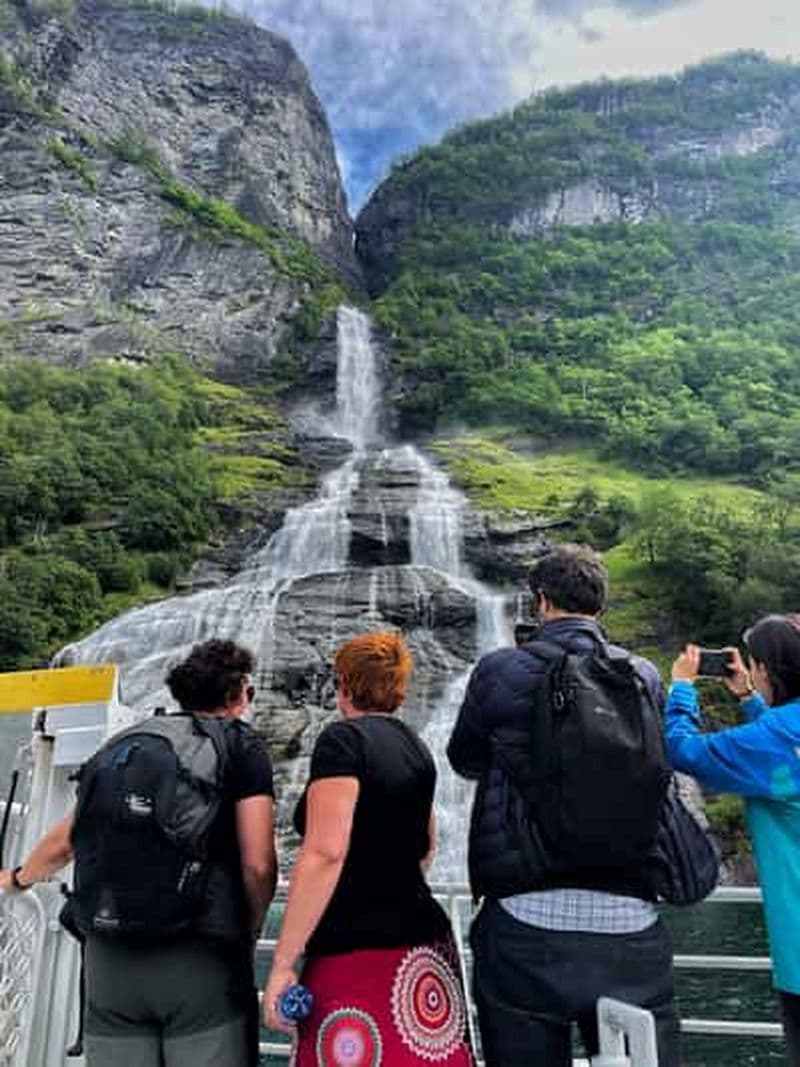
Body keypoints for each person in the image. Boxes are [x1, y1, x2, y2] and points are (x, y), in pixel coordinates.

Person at [448, 543, 680, 1067]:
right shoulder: (642, 675)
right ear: (600, 606)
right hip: (632, 921)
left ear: (542, 602)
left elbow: (465, 758)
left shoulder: (499, 669)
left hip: (524, 922)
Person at [0, 638, 277, 1067]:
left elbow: (65, 841)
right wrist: (250, 927)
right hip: (198, 959)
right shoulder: (240, 745)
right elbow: (258, 863)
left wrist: (18, 878)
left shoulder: (125, 744)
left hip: (109, 961)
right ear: (239, 693)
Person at [263, 631, 474, 1066]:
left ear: (344, 684)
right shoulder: (417, 748)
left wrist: (283, 963)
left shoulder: (343, 741)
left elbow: (325, 853)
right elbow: (425, 849)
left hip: (356, 950)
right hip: (424, 953)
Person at [667, 615, 800, 1066]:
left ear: (765, 668)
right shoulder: (780, 736)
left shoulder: (773, 740)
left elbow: (681, 749)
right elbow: (783, 758)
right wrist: (747, 698)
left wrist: (682, 686)